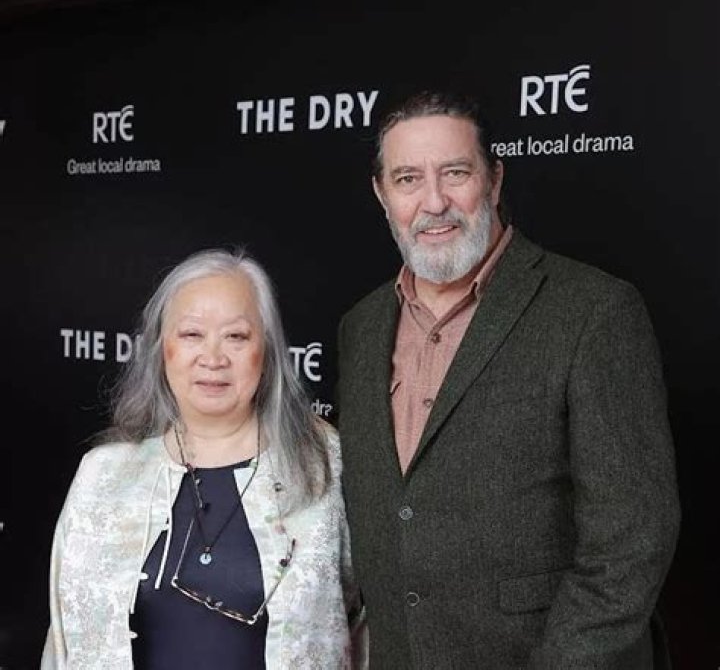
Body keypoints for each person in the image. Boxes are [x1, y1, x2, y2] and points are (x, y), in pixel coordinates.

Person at [336, 91, 680, 669]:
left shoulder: (594, 311)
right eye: (408, 179)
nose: (434, 202)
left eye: (455, 173)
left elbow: (631, 542)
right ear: (381, 194)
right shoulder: (361, 327)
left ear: (494, 180)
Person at [42, 248, 365, 669]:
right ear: (161, 349)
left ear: (266, 351)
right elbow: (62, 644)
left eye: (236, 337)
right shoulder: (103, 476)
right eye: (191, 334)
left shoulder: (324, 465)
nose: (213, 359)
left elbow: (367, 625)